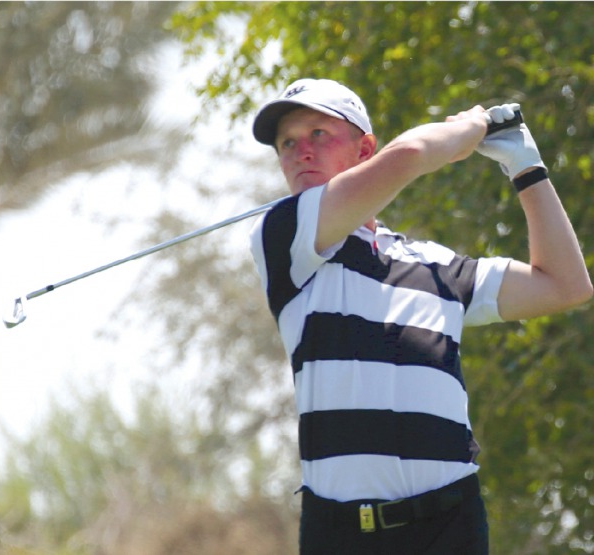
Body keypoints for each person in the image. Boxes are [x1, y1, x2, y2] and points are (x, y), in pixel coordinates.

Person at [248, 79, 591, 553]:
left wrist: (525, 166)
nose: (300, 152)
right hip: (342, 534)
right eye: (288, 143)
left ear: (365, 148)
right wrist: (471, 128)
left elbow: (565, 284)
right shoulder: (284, 238)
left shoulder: (436, 266)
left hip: (450, 526)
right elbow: (410, 155)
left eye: (319, 134)